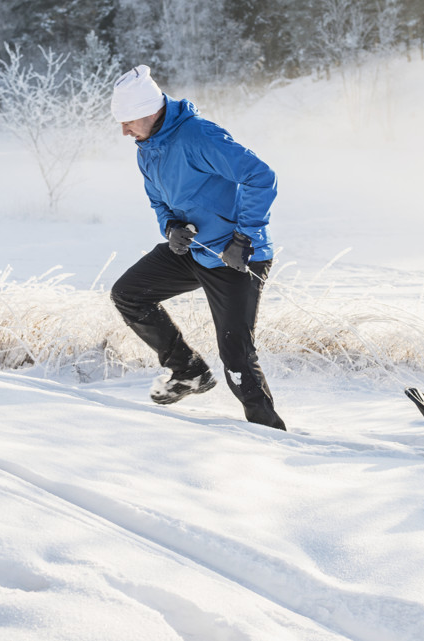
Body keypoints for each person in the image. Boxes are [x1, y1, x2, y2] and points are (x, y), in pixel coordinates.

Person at [107, 65, 286, 431]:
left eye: (127, 121)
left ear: (148, 111)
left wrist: (243, 239)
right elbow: (159, 201)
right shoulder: (147, 149)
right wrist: (171, 227)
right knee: (129, 294)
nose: (124, 131)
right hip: (194, 251)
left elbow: (261, 176)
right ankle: (188, 371)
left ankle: (272, 435)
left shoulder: (199, 135)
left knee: (236, 357)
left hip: (235, 257)